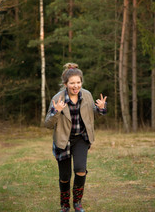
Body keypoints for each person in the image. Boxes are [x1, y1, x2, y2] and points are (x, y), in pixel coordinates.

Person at [45, 63, 107, 212]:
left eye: (78, 82)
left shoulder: (87, 95)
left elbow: (93, 116)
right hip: (63, 140)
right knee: (64, 176)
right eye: (72, 83)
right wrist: (56, 112)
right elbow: (47, 124)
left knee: (80, 169)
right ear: (65, 84)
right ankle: (65, 205)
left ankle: (77, 203)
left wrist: (101, 109)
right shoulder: (57, 98)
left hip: (81, 138)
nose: (76, 86)